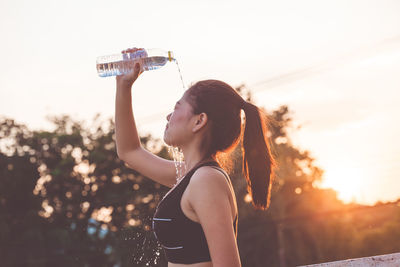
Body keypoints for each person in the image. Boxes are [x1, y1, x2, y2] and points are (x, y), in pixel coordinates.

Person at [115, 47, 277, 267]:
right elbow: (129, 152)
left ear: (199, 121)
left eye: (177, 107)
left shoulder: (206, 180)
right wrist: (124, 86)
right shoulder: (189, 176)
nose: (168, 116)